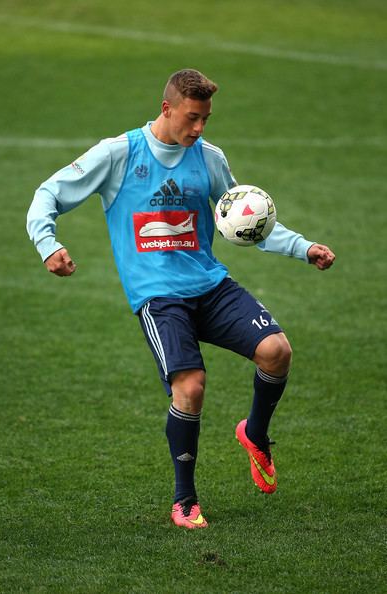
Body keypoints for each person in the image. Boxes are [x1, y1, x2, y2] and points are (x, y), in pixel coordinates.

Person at [27, 68, 335, 529]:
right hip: (159, 298)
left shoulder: (208, 158)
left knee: (277, 352)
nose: (199, 128)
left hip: (210, 286)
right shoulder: (119, 154)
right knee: (190, 388)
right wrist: (48, 244)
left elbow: (245, 221)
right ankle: (184, 499)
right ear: (167, 108)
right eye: (192, 118)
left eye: (206, 119)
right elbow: (47, 193)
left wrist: (303, 247)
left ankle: (254, 434)